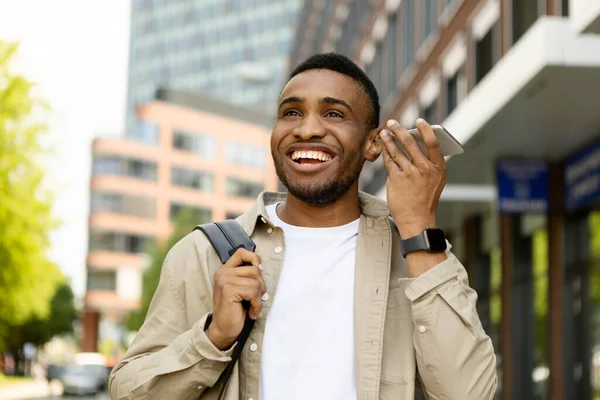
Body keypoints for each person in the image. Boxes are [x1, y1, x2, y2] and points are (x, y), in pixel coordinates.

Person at [109, 53, 497, 400]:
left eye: (334, 114)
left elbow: (469, 394)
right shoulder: (203, 255)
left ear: (372, 143)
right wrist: (214, 338)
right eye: (291, 112)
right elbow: (127, 392)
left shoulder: (415, 253)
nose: (307, 129)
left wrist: (418, 223)